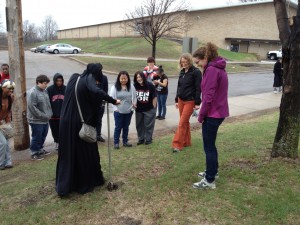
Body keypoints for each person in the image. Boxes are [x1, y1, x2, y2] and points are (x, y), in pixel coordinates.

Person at [56, 63, 120, 197]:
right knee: (84, 153)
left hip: (65, 122)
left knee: (68, 153)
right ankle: (83, 182)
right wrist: (113, 101)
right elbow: (96, 91)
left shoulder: (75, 78)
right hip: (78, 124)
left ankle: (66, 184)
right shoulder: (89, 79)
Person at [192, 42, 229, 190]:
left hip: (213, 114)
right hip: (217, 112)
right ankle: (212, 171)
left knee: (208, 147)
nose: (198, 65)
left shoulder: (212, 70)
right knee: (211, 145)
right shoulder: (217, 67)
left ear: (205, 58)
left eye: (198, 62)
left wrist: (201, 116)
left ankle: (209, 180)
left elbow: (208, 97)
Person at [172, 53, 202, 152]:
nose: (183, 64)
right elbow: (179, 87)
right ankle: (186, 142)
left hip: (190, 101)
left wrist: (197, 103)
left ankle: (177, 145)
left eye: (185, 62)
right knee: (185, 122)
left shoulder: (196, 72)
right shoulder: (182, 72)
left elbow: (198, 88)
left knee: (182, 123)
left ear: (189, 61)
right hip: (181, 100)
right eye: (182, 62)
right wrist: (176, 99)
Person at [27, 75, 53, 160]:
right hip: (36, 120)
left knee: (43, 135)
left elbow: (48, 104)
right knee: (36, 136)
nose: (46, 85)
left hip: (45, 119)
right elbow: (32, 107)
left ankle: (40, 149)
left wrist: (50, 114)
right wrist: (43, 116)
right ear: (39, 82)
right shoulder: (33, 92)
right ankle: (34, 152)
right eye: (45, 83)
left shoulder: (44, 91)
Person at [109, 71, 137, 149]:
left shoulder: (131, 86)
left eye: (125, 78)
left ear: (128, 78)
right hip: (118, 111)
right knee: (118, 127)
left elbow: (134, 97)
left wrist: (133, 106)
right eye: (122, 78)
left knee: (126, 127)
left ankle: (125, 141)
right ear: (119, 78)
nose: (123, 80)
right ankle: (116, 143)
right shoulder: (114, 87)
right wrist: (115, 109)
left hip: (128, 111)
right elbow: (112, 99)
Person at [134, 71, 157, 145]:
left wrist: (153, 108)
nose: (139, 79)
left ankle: (148, 139)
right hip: (139, 110)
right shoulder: (134, 86)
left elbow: (154, 97)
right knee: (139, 125)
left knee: (148, 125)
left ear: (143, 77)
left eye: (140, 77)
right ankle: (141, 139)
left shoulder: (150, 85)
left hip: (149, 109)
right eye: (137, 77)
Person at [47, 73, 66, 150]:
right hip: (53, 115)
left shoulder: (66, 89)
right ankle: (57, 142)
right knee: (55, 130)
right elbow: (47, 102)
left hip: (63, 114)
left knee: (63, 129)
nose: (59, 82)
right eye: (57, 81)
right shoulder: (49, 89)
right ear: (54, 81)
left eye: (60, 81)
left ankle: (63, 142)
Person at [0, 79, 15, 170]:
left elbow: (8, 110)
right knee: (3, 143)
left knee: (7, 143)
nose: (11, 91)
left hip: (4, 122)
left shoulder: (10, 97)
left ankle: (8, 161)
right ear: (2, 88)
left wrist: (8, 121)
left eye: (12, 89)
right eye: (9, 89)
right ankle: (1, 163)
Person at [96, 74, 108, 142]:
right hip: (91, 102)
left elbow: (105, 90)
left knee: (99, 119)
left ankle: (98, 135)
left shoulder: (104, 78)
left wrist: (104, 99)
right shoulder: (91, 77)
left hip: (101, 102)